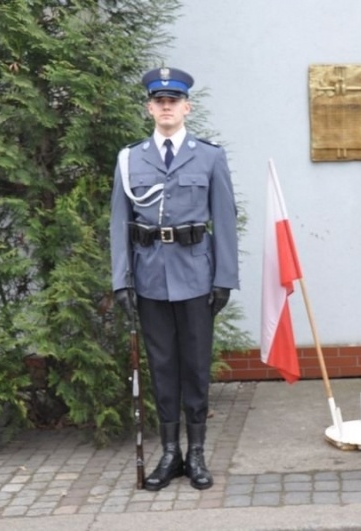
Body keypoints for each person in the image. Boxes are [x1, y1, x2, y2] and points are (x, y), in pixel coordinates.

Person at [110, 67, 239, 490]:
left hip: (196, 276)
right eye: (159, 101)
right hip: (149, 279)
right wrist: (121, 280)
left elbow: (224, 218)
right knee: (162, 366)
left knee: (196, 367)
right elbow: (119, 223)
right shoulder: (130, 159)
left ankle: (197, 454)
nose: (166, 107)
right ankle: (170, 454)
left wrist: (224, 278)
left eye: (173, 101)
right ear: (150, 107)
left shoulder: (209, 156)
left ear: (187, 107)